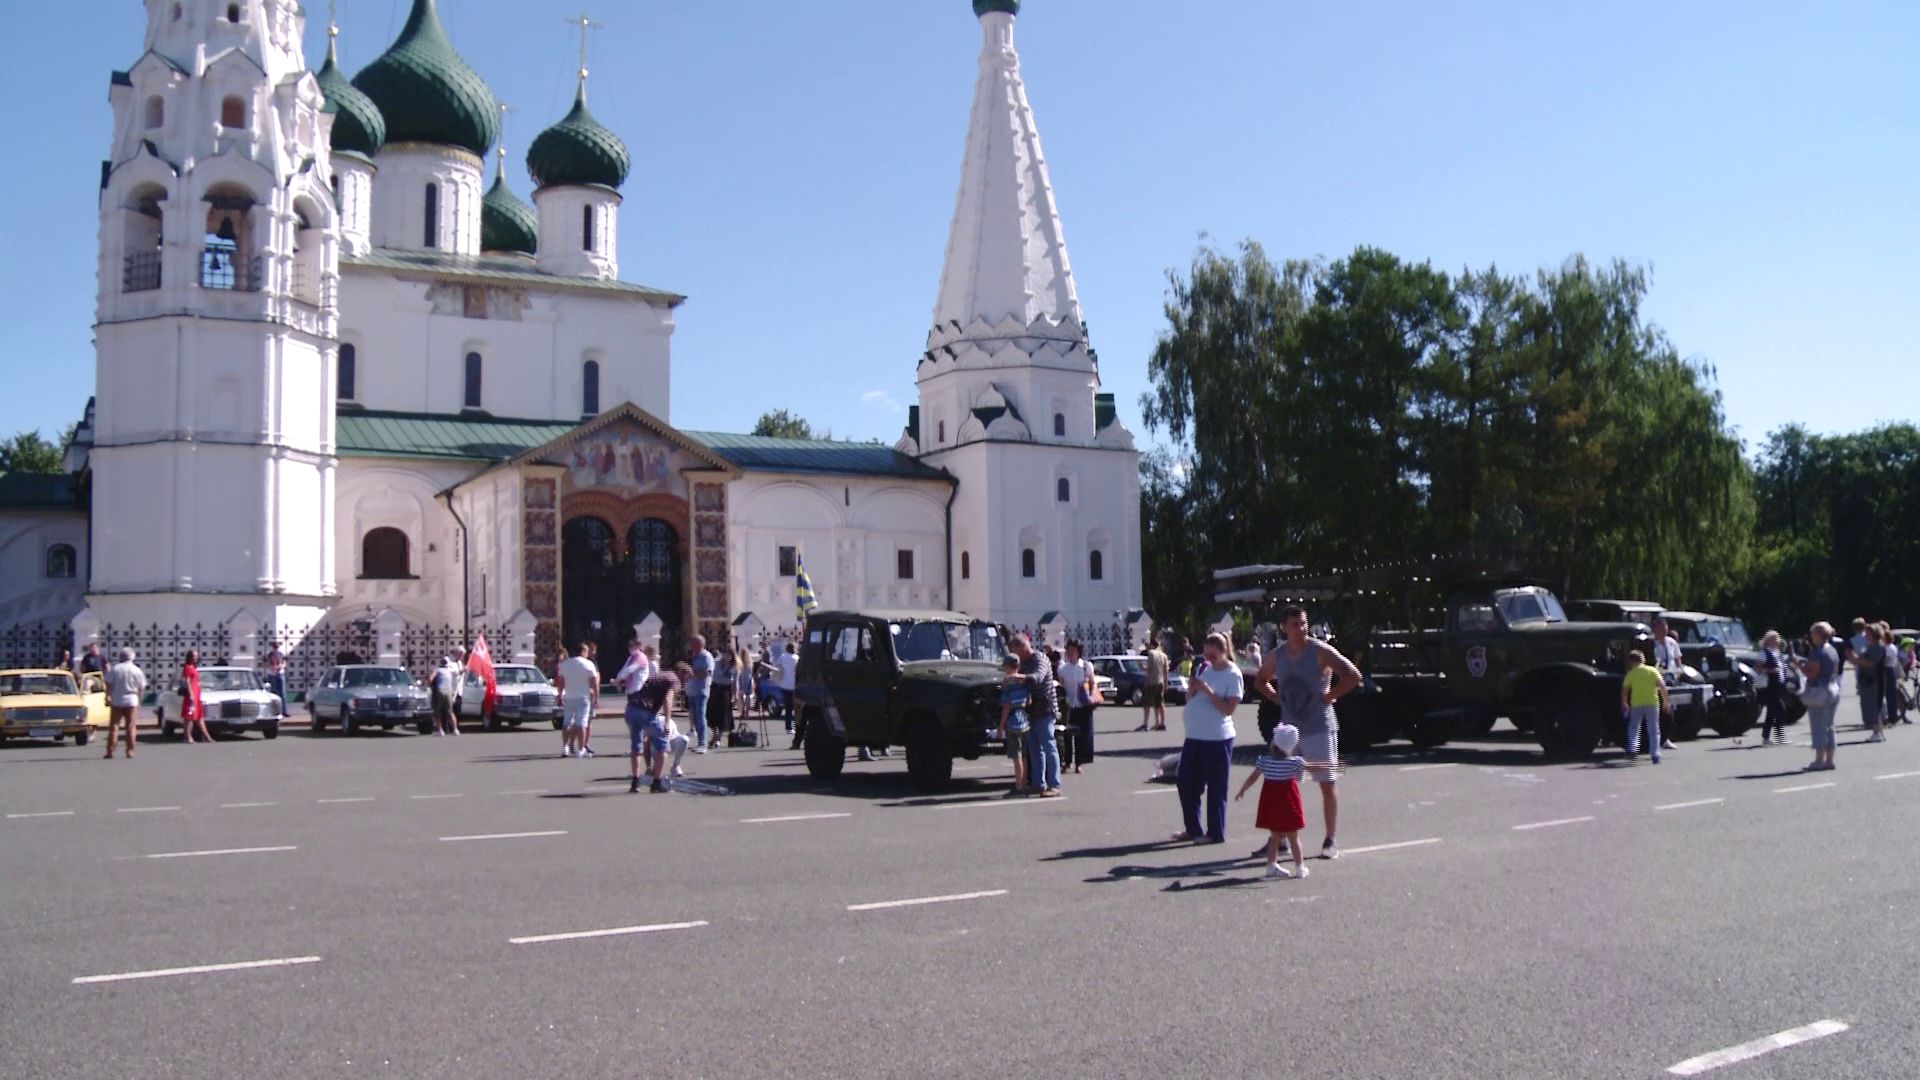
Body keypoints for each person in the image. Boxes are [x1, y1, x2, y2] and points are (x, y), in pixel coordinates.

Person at [1254, 606, 1361, 859]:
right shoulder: (1278, 655)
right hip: (1289, 733)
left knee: (1327, 782)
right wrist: (1276, 697)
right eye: (1295, 624)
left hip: (1319, 727)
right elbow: (1260, 680)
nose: (1301, 628)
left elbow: (1353, 675)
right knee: (1281, 783)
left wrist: (1330, 696)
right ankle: (1279, 839)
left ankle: (1330, 840)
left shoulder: (1320, 651)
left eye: (1303, 623)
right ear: (1284, 628)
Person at [1174, 632, 1241, 843]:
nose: (1209, 659)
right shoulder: (1205, 669)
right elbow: (1190, 699)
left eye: (1213, 655)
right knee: (1186, 782)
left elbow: (1228, 709)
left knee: (1216, 786)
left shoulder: (1233, 673)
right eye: (1206, 654)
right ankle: (1192, 828)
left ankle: (1215, 832)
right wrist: (1192, 690)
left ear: (1224, 651)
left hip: (1217, 737)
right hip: (1194, 735)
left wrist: (1208, 690)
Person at [1234, 723, 1308, 880]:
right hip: (1289, 805)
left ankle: (1271, 866)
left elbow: (1253, 777)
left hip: (1272, 806)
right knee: (1293, 837)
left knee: (1275, 837)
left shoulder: (1265, 761)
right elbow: (1306, 772)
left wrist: (1242, 790)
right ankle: (1300, 867)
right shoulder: (1295, 763)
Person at [1009, 633, 1062, 798]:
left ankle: (1054, 784)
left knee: (1049, 746)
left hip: (1045, 709)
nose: (1014, 655)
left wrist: (1019, 677)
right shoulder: (1023, 663)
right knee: (1034, 748)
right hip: (1030, 710)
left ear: (1023, 647)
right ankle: (1038, 784)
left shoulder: (1040, 659)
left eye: (1015, 651)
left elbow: (1037, 678)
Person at [625, 663, 689, 793]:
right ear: (681, 672)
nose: (686, 682)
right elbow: (667, 700)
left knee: (636, 746)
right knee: (663, 747)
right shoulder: (674, 680)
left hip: (631, 708)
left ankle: (635, 783)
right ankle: (656, 783)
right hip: (646, 711)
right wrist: (667, 722)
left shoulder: (660, 675)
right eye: (687, 677)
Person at [1796, 622, 1841, 772]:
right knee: (1829, 726)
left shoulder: (1817, 652)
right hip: (1833, 687)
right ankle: (1829, 760)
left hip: (1819, 690)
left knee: (1818, 726)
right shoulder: (1832, 650)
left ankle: (1819, 760)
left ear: (1817, 635)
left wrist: (1799, 666)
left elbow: (1812, 673)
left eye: (1812, 633)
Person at [1620, 650, 1668, 763]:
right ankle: (1654, 753)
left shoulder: (1631, 674)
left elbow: (1625, 690)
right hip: (1652, 703)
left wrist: (1624, 703)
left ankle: (1632, 748)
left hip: (1636, 703)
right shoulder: (1652, 670)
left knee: (1634, 727)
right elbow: (1662, 686)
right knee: (1653, 728)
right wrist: (1665, 701)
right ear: (1643, 659)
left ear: (1631, 661)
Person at [1056, 640, 1095, 773]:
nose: (1070, 653)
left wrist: (1089, 694)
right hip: (1068, 706)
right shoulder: (1063, 668)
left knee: (1082, 736)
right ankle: (1067, 762)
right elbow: (1061, 687)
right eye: (1068, 651)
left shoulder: (1086, 666)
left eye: (1073, 650)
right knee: (1067, 735)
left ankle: (1079, 763)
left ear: (1079, 652)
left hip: (1083, 705)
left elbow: (1092, 682)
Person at [996, 655, 1032, 798]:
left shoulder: (1007, 684)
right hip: (1025, 720)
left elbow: (1006, 706)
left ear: (1007, 667)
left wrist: (1000, 727)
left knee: (1016, 756)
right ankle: (1024, 783)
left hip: (1013, 722)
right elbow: (1029, 701)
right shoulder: (1024, 682)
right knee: (1024, 756)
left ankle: (1018, 787)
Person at [555, 642, 599, 759]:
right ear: (583, 652)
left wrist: (560, 695)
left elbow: (561, 682)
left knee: (567, 722)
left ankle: (565, 747)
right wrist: (596, 698)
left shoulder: (565, 664)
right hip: (583, 697)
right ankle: (581, 749)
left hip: (569, 697)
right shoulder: (588, 664)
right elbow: (594, 683)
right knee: (582, 723)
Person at [103, 648, 147, 759]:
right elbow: (141, 687)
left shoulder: (115, 669)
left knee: (114, 727)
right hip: (131, 700)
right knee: (131, 727)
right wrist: (139, 700)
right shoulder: (136, 670)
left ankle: (110, 751)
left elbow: (108, 683)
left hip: (117, 700)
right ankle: (130, 750)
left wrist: (107, 696)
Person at [1650, 618, 1683, 752]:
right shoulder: (1651, 644)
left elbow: (1677, 659)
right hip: (1658, 679)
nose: (1664, 632)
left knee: (1670, 709)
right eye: (1661, 629)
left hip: (1671, 677)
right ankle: (1659, 739)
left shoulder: (1672, 642)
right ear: (1655, 630)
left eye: (1666, 629)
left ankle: (1667, 737)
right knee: (1660, 710)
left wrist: (1679, 672)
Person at [1756, 630, 1789, 746]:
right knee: (1780, 710)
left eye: (1777, 638)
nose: (1777, 640)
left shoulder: (1777, 652)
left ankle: (1767, 737)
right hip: (1770, 686)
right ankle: (1777, 737)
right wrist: (1770, 670)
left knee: (1772, 712)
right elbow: (1758, 668)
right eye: (1774, 638)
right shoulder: (1764, 653)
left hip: (1779, 686)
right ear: (1769, 640)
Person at [1856, 625, 1887, 741]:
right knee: (1872, 705)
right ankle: (1879, 731)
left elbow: (1872, 663)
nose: (1865, 635)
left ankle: (1876, 732)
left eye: (1867, 633)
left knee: (1874, 706)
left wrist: (1855, 659)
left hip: (1875, 680)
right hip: (1868, 679)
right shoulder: (1869, 646)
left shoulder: (1878, 647)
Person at [684, 634, 714, 754]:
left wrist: (692, 673)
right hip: (691, 690)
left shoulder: (707, 657)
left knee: (700, 717)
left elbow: (707, 672)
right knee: (695, 718)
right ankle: (700, 743)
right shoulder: (693, 657)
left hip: (701, 691)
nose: (691, 646)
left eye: (693, 643)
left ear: (700, 644)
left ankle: (703, 744)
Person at [178, 649, 211, 744]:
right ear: (190, 657)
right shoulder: (187, 667)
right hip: (191, 695)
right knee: (189, 716)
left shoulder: (193, 667)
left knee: (199, 716)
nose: (196, 658)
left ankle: (206, 736)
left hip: (196, 695)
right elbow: (187, 681)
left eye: (196, 656)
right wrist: (191, 694)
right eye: (194, 656)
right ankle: (187, 737)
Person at [1138, 641, 1169, 732]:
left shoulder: (1151, 653)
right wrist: (1166, 684)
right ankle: (1161, 723)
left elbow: (1150, 668)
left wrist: (1146, 679)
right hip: (1160, 681)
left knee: (1147, 703)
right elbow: (1165, 671)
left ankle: (1146, 724)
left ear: (1152, 645)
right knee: (1159, 703)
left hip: (1151, 682)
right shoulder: (1163, 655)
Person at [429, 656, 461, 736]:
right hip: (449, 692)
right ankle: (455, 730)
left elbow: (430, 679)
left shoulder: (437, 670)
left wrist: (430, 686)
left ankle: (440, 730)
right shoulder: (449, 671)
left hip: (439, 691)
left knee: (437, 711)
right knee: (450, 712)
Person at [778, 642, 802, 748]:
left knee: (788, 708)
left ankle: (788, 727)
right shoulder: (796, 658)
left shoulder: (782, 657)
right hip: (794, 685)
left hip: (784, 684)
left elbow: (778, 667)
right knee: (796, 709)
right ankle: (796, 727)